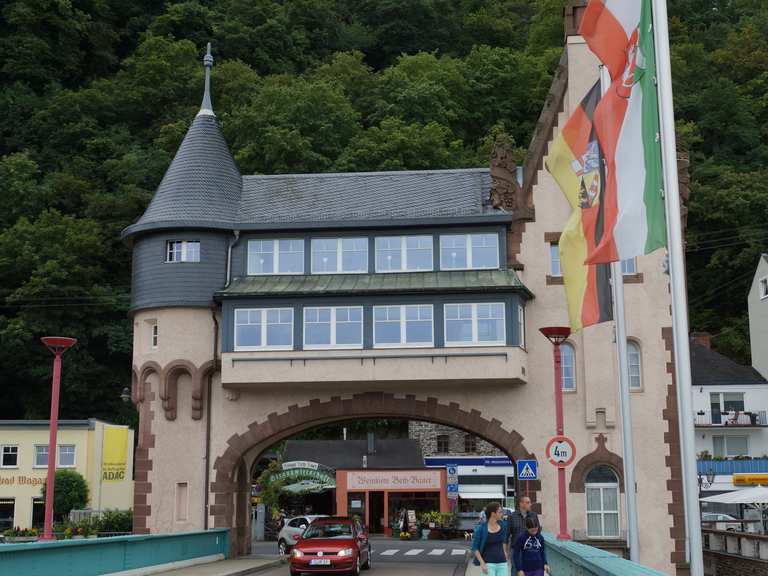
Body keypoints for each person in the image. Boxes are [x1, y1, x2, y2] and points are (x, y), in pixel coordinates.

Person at [471, 502, 509, 576]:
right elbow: (475, 548)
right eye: (500, 512)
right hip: (488, 564)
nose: (502, 514)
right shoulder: (481, 528)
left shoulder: (503, 525)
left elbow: (504, 540)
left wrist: (505, 552)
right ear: (493, 513)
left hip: (502, 563)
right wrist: (482, 563)